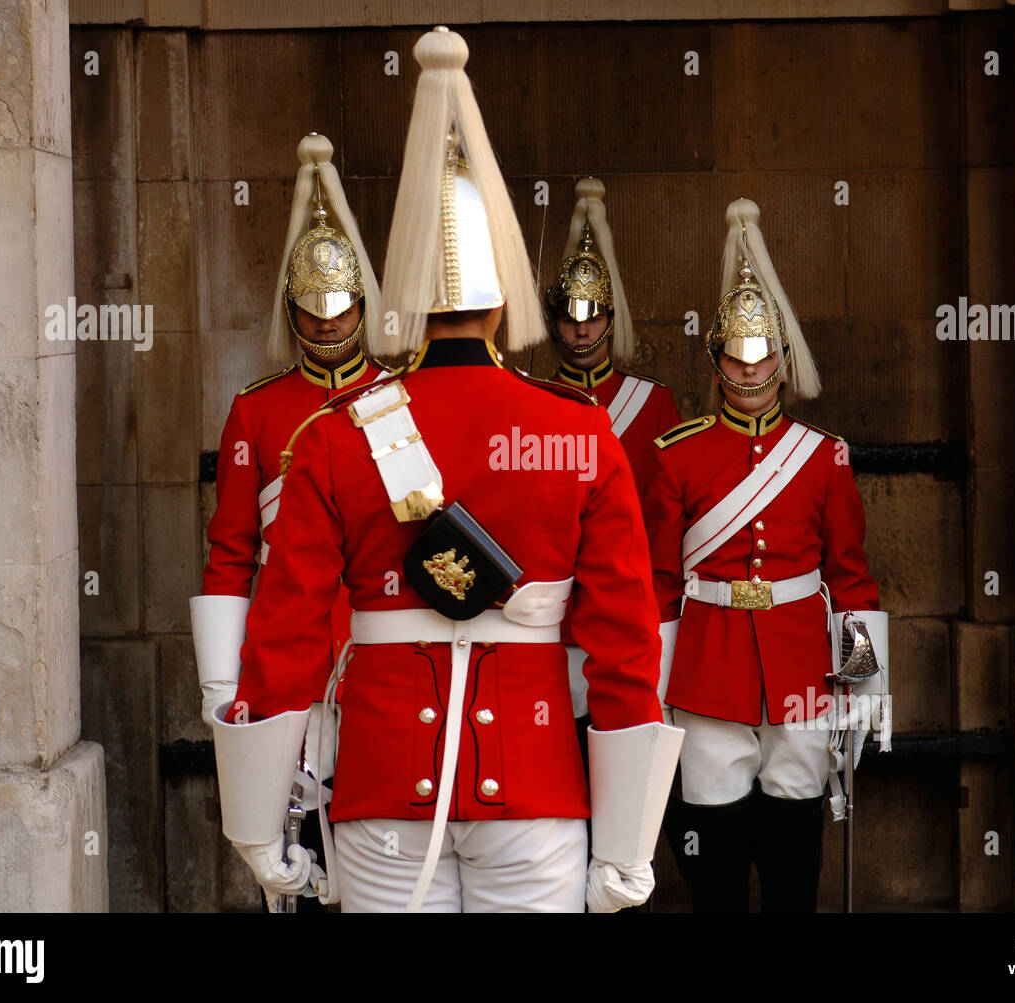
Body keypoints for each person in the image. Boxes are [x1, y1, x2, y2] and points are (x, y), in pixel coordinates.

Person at [207, 26, 682, 914]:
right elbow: (625, 643)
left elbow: (288, 634)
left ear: (402, 299)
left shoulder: (335, 435)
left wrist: (258, 829)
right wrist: (624, 847)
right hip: (537, 799)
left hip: (382, 795)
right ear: (504, 296)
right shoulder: (579, 435)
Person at [643, 198, 889, 913]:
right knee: (713, 862)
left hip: (803, 672)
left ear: (783, 363)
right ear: (716, 363)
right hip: (707, 670)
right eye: (735, 360)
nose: (750, 374)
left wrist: (861, 683)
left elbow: (849, 577)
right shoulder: (677, 455)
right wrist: (655, 688)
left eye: (762, 360)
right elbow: (660, 581)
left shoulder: (822, 457)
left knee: (795, 856)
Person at [189, 132, 387, 913]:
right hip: (286, 656)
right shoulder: (258, 410)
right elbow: (232, 551)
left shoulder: (399, 400)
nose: (330, 327)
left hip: (373, 646)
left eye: (342, 312)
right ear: (293, 312)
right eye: (315, 313)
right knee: (291, 859)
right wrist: (219, 681)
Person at [543, 177, 683, 743]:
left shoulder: (653, 404)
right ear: (553, 321)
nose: (581, 328)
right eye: (570, 317)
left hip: (631, 605)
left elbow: (668, 520)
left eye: (594, 316)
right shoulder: (536, 400)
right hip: (557, 614)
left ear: (611, 318)